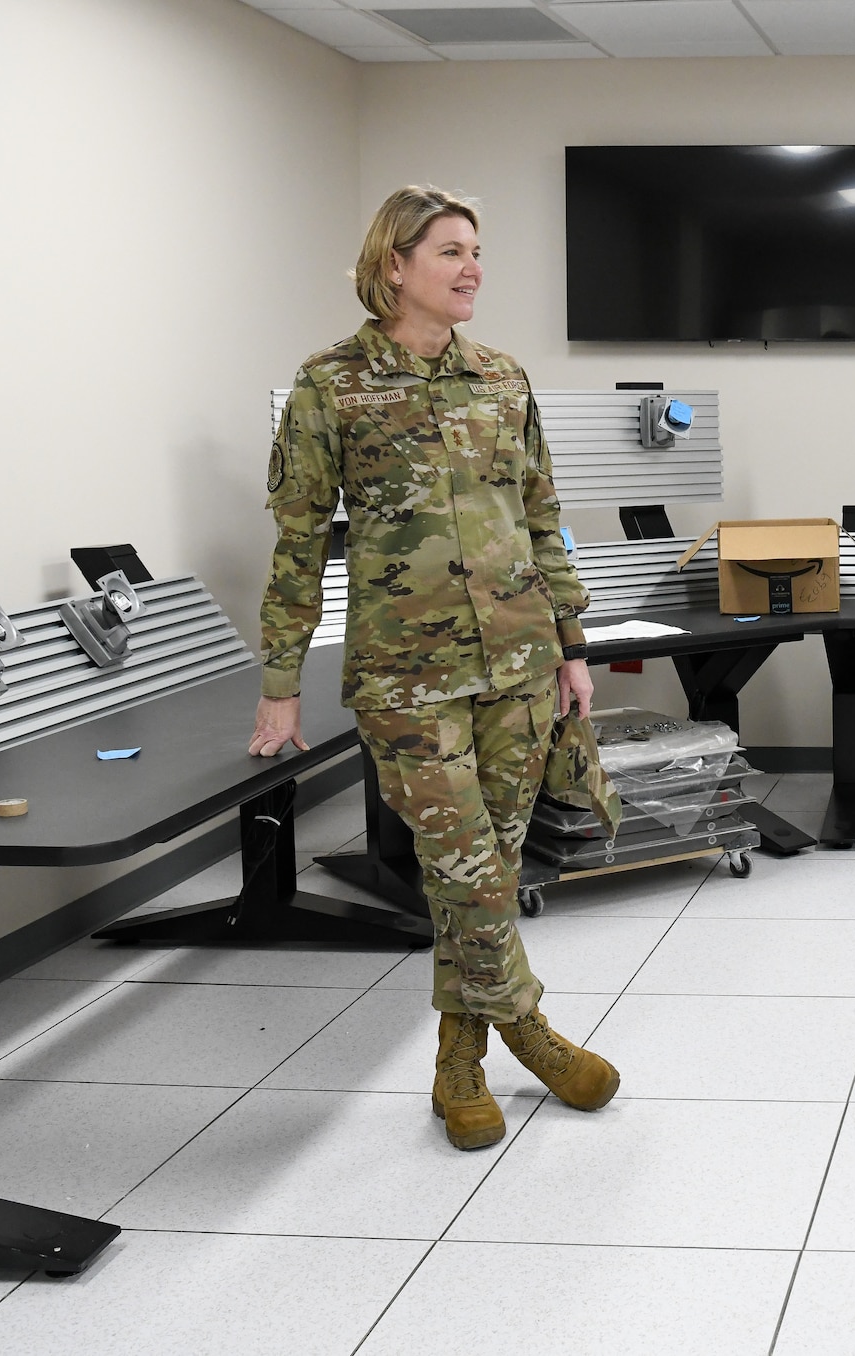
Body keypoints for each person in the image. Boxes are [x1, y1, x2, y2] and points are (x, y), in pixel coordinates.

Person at [247, 185, 620, 1151]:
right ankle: (528, 1028)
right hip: (407, 676)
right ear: (394, 265)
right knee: (465, 863)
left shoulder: (502, 377)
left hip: (521, 662)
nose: (471, 269)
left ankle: (459, 1064)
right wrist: (279, 684)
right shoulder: (330, 384)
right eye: (450, 251)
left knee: (484, 866)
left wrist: (573, 648)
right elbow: (296, 545)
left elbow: (542, 520)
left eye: (476, 251)